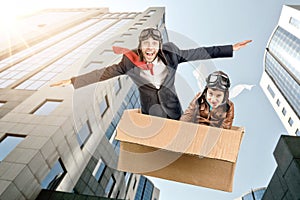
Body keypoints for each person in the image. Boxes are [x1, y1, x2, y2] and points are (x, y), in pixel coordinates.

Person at [51, 28, 251, 120]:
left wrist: (230, 48)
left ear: (159, 46)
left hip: (172, 109)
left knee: (175, 137)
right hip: (150, 111)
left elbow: (200, 52)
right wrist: (72, 81)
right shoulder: (129, 62)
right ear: (140, 46)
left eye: (154, 44)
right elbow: (104, 73)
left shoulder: (172, 54)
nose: (150, 48)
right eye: (146, 44)